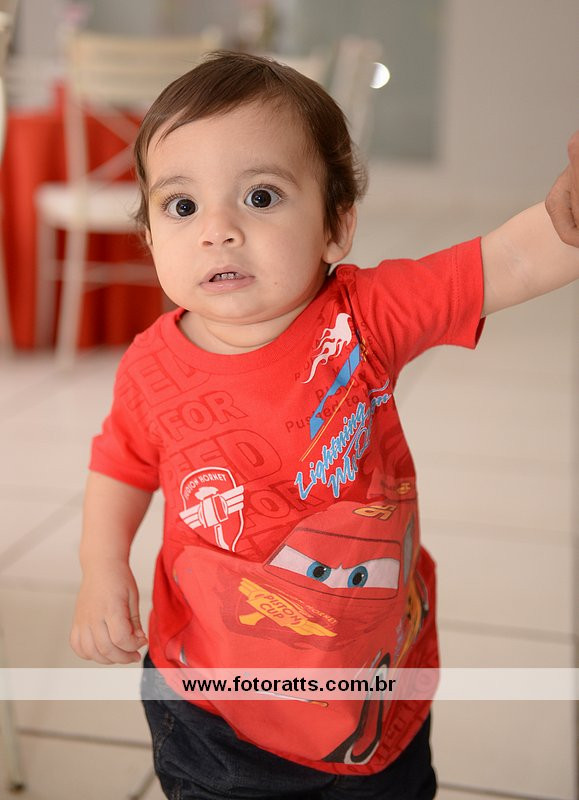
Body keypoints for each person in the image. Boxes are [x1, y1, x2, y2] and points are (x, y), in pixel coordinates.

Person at [69, 51, 579, 800]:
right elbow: (121, 464)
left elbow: (507, 263)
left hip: (370, 686)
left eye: (261, 196)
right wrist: (101, 566)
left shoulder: (365, 317)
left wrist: (568, 219)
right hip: (212, 708)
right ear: (149, 236)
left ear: (335, 226)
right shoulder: (150, 364)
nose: (218, 230)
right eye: (181, 206)